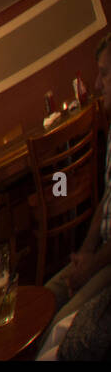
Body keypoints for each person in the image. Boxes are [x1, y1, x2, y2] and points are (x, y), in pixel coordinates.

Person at [36, 34, 111, 354]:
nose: (97, 84)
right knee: (43, 301)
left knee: (59, 331)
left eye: (105, 73)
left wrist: (92, 264)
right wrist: (84, 252)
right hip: (101, 250)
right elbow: (107, 200)